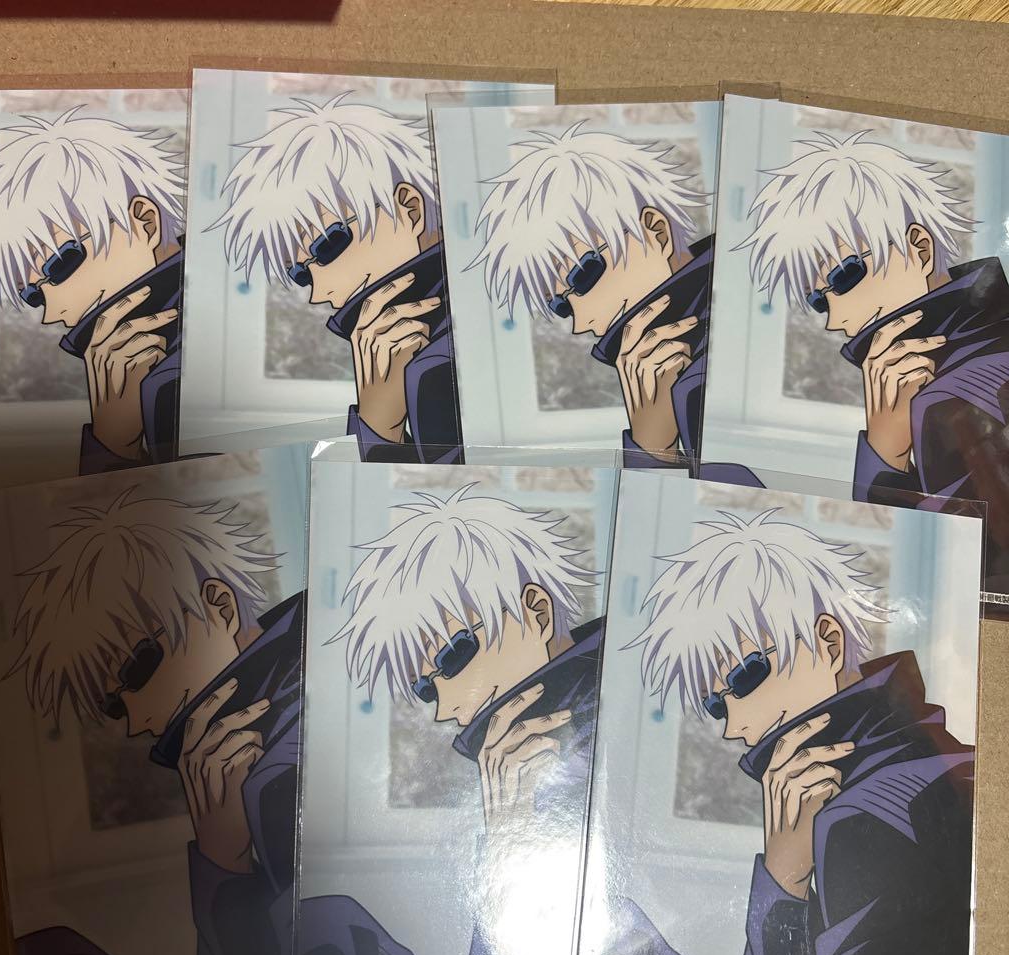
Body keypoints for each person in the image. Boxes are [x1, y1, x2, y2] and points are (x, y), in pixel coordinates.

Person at [631, 509, 974, 955]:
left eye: (744, 677)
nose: (733, 726)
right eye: (716, 704)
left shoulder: (862, 815)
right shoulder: (932, 756)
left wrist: (782, 886)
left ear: (828, 642)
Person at [8, 489, 303, 955]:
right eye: (114, 705)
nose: (137, 720)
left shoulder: (278, 760)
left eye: (138, 668)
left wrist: (223, 863)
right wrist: (221, 857)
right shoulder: (231, 759)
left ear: (219, 607)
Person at [300, 484, 603, 955]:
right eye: (425, 687)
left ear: (536, 613)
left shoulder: (596, 724)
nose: (443, 709)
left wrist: (510, 843)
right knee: (329, 926)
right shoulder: (515, 753)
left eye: (453, 655)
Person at [739, 130, 1009, 590]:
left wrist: (884, 456)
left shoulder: (945, 398)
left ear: (919, 248)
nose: (834, 319)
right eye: (819, 301)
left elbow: (961, 582)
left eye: (845, 276)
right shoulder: (951, 367)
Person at [210, 94, 462, 463]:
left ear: (410, 209)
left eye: (328, 245)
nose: (318, 293)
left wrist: (379, 430)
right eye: (301, 274)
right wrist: (379, 425)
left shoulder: (439, 366)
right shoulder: (411, 358)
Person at [0, 108, 186, 474]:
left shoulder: (173, 377)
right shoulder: (139, 371)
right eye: (33, 296)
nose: (51, 314)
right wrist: (115, 441)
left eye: (60, 264)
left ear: (145, 222)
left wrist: (112, 446)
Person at [470, 122, 712, 467]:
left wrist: (653, 450)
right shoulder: (665, 374)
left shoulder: (707, 366)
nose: (580, 324)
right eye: (562, 306)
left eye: (583, 275)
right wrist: (653, 444)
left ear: (656, 232)